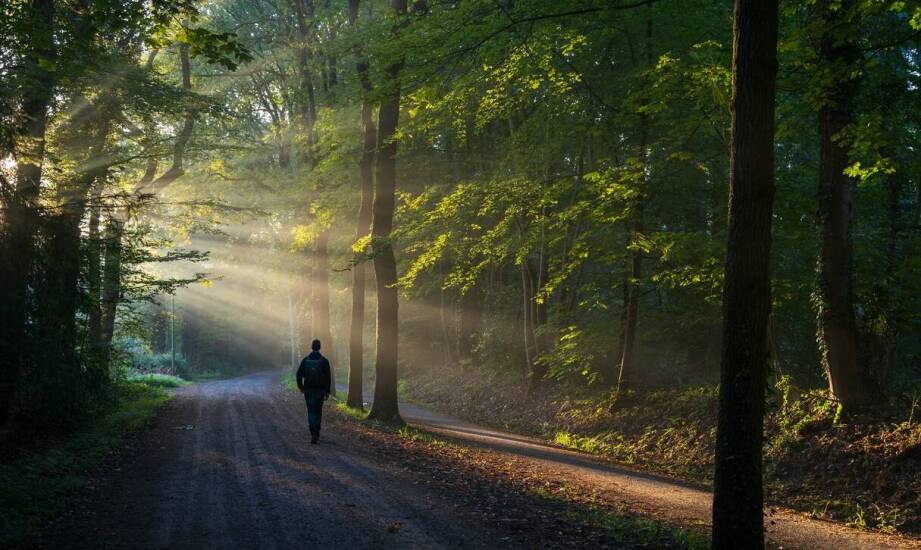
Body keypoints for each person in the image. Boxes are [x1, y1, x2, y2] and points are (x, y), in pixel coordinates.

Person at [296, 339, 332, 444]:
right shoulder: (324, 361)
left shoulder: (305, 360)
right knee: (318, 412)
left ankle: (313, 433)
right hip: (320, 391)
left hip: (308, 390)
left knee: (311, 411)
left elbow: (298, 375)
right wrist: (327, 391)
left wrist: (301, 387)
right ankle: (316, 432)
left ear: (311, 347)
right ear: (320, 347)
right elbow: (328, 378)